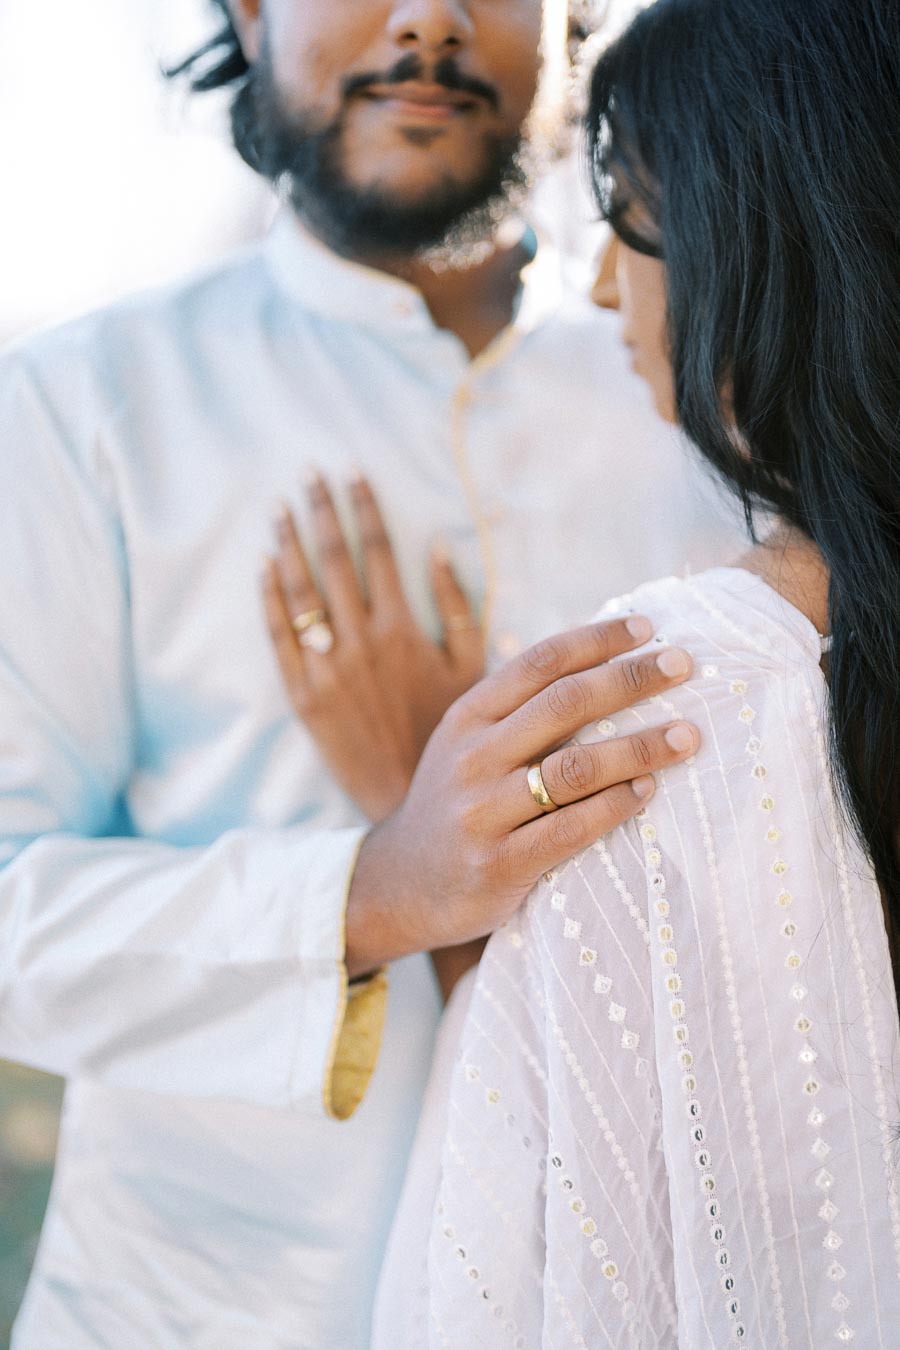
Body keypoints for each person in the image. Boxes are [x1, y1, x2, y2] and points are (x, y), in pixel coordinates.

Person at [0, 2, 739, 1346]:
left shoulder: (714, 387)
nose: (426, 20)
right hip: (198, 1311)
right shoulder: (80, 404)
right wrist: (377, 889)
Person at [370, 0, 900, 1344]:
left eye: (634, 211)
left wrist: (408, 831)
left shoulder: (649, 714)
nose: (603, 279)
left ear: (772, 232)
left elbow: (510, 1285)